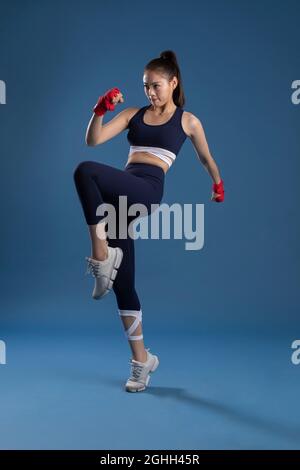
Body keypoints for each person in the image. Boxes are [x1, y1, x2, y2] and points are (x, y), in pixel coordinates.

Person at [73, 50, 224, 393]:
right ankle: (142, 361)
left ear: (173, 83)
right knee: (124, 284)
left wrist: (217, 182)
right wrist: (99, 111)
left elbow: (205, 156)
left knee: (85, 171)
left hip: (146, 189)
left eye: (156, 86)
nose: (150, 93)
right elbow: (93, 140)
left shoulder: (188, 121)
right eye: (145, 87)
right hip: (119, 198)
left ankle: (100, 255)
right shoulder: (133, 115)